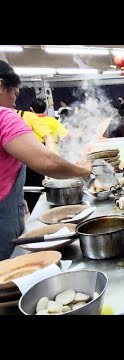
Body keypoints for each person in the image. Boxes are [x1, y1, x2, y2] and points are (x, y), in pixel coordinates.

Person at [0, 61, 91, 260]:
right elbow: (48, 163)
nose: (15, 102)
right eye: (14, 94)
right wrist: (82, 170)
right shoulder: (4, 116)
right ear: (0, 85)